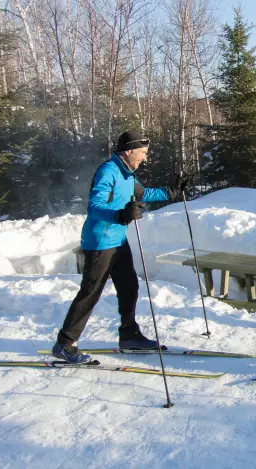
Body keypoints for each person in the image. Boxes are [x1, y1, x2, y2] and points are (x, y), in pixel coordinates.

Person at [52, 131, 185, 364]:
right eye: (142, 153)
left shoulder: (127, 174)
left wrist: (171, 191)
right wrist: (120, 214)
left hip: (118, 240)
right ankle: (64, 344)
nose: (144, 158)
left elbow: (144, 193)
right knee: (90, 292)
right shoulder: (109, 171)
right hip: (100, 242)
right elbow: (94, 206)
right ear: (128, 151)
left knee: (129, 286)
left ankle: (129, 334)